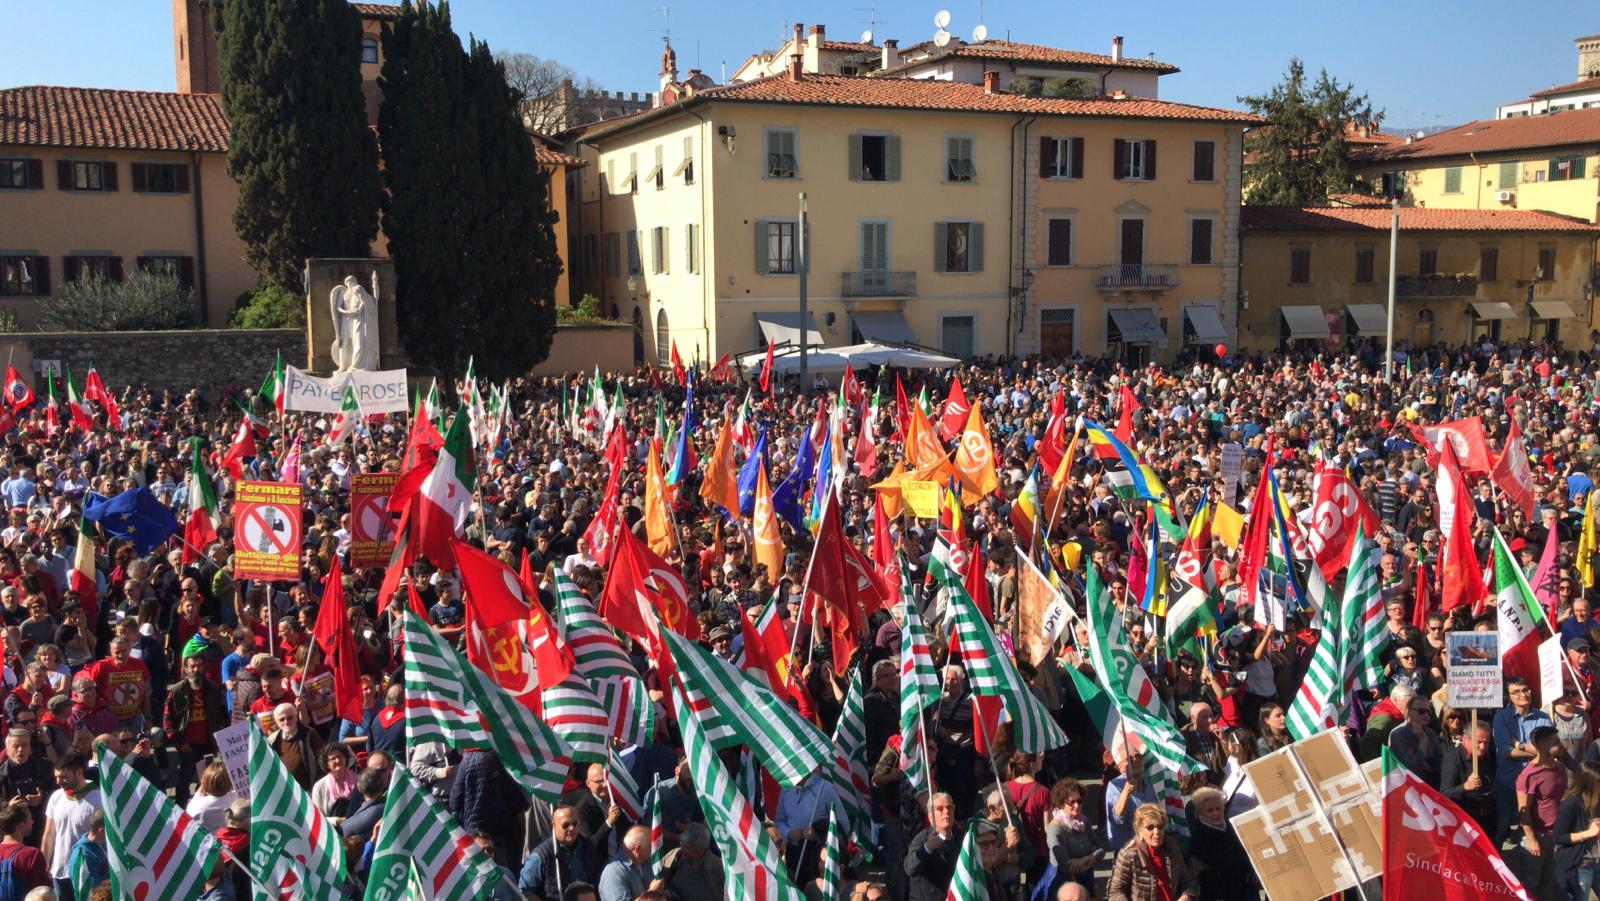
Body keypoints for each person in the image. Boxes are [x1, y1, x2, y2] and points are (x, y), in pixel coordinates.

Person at [1497, 678, 1557, 846]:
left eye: (1526, 690)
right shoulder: (1501, 717)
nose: (1523, 694)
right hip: (1508, 783)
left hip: (1537, 784)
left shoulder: (1543, 716)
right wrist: (1539, 750)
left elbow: (1552, 750)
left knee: (1536, 833)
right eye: (1516, 692)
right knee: (1501, 829)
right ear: (1509, 696)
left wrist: (1520, 745)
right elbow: (1507, 752)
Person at [162, 653, 224, 806]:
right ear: (185, 669)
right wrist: (178, 741)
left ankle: (205, 807)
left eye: (199, 665)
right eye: (192, 666)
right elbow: (167, 720)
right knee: (185, 778)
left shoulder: (212, 688)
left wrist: (219, 737)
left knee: (208, 779)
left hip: (208, 743)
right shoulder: (177, 691)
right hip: (187, 744)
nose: (196, 669)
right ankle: (180, 809)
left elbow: (220, 715)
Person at [1516, 726, 1568, 900]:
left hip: (1556, 834)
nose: (1560, 745)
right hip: (1538, 836)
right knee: (1531, 882)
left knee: (1549, 879)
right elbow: (1523, 810)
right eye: (1556, 742)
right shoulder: (1529, 775)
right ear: (1543, 746)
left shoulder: (1560, 768)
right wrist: (1531, 839)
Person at [1107, 803, 1198, 901]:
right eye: (1150, 827)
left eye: (1160, 827)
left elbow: (1186, 879)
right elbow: (1116, 891)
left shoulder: (1172, 847)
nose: (1156, 832)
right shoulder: (1128, 854)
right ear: (1139, 830)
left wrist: (1187, 895)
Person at [39, 752, 98, 901]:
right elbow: (49, 834)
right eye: (57, 777)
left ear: (79, 773)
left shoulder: (98, 798)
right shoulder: (56, 797)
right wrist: (44, 865)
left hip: (87, 870)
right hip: (59, 871)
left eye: (64, 777)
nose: (58, 781)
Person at [1185, 787, 1256, 900]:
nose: (1216, 813)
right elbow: (1202, 877)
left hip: (1243, 890)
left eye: (1219, 809)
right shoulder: (1198, 839)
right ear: (1199, 814)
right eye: (1210, 810)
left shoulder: (1233, 829)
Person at [520, 806, 599, 901]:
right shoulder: (540, 856)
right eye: (565, 825)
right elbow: (524, 890)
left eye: (574, 824)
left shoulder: (587, 847)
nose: (571, 828)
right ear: (554, 825)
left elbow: (597, 879)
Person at [1043, 777, 1104, 898]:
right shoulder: (1055, 828)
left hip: (1086, 881)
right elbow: (1066, 867)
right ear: (1061, 803)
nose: (1077, 805)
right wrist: (1092, 860)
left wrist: (1084, 860)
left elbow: (1101, 850)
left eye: (1079, 801)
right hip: (1065, 887)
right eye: (1072, 802)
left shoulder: (1084, 821)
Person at [1553, 759, 1600, 900]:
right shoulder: (1571, 804)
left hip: (1596, 863)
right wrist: (1588, 833)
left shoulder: (1597, 801)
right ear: (1590, 784)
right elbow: (1558, 837)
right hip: (1580, 865)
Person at [1440, 718, 1497, 832]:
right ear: (1466, 739)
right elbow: (1444, 793)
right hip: (1466, 820)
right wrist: (1465, 787)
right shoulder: (1453, 759)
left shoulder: (1486, 755)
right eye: (1478, 742)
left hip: (1488, 816)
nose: (1483, 747)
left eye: (1486, 742)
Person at [905, 792, 963, 901]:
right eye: (940, 809)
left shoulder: (960, 836)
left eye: (949, 808)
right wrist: (927, 848)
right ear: (931, 817)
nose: (946, 812)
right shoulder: (922, 839)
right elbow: (910, 868)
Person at [655, 822, 723, 901]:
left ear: (700, 850)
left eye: (687, 847)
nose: (682, 850)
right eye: (682, 844)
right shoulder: (676, 856)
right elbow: (658, 878)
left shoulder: (717, 868)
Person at [1389, 692, 1444, 788]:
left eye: (1429, 711)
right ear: (1409, 711)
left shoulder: (1430, 732)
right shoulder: (1397, 734)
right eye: (1421, 711)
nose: (1426, 715)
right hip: (1411, 788)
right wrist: (1423, 742)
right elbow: (1411, 769)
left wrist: (1427, 766)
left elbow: (1441, 761)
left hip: (1434, 784)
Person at [1104, 748, 1155, 849]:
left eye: (1139, 757)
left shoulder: (1148, 782)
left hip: (1150, 848)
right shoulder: (1115, 785)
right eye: (1129, 759)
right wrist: (1126, 792)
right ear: (1120, 766)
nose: (1135, 760)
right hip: (1128, 852)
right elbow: (1116, 819)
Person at [266, 702, 323, 791]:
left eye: (290, 718)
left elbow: (323, 760)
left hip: (310, 790)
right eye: (281, 719)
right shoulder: (272, 740)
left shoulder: (309, 734)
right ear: (277, 723)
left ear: (296, 717)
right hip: (287, 792)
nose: (286, 722)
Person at [0, 800, 50, 895]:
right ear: (21, 826)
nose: (33, 822)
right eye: (30, 818)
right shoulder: (32, 855)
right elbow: (43, 892)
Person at [596, 825, 651, 901]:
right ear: (637, 849)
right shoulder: (614, 872)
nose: (653, 851)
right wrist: (651, 893)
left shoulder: (646, 862)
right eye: (650, 847)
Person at [184, 760, 238, 833]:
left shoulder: (194, 805)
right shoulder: (237, 799)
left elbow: (200, 791)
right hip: (230, 840)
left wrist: (206, 780)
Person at [310, 744, 358, 821]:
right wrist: (337, 821)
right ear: (327, 764)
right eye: (333, 758)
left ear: (345, 758)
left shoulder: (356, 779)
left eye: (340, 756)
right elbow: (317, 818)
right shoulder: (319, 787)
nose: (338, 760)